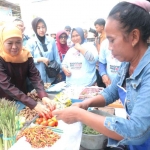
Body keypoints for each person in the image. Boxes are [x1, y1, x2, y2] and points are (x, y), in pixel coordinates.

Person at [53, 1, 150, 150]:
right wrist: (86, 104)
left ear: (134, 37)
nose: (109, 47)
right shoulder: (127, 64)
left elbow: (137, 130)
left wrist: (80, 115)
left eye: (111, 40)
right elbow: (111, 92)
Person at [0, 25, 55, 116]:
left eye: (18, 42)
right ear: (2, 42)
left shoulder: (26, 54)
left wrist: (43, 95)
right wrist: (33, 104)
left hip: (22, 99)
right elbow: (6, 85)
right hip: (4, 101)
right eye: (9, 43)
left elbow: (34, 76)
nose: (14, 46)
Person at [26, 17, 61, 84]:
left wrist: (58, 71)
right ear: (34, 29)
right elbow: (28, 60)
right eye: (38, 28)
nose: (41, 30)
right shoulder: (30, 42)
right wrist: (39, 59)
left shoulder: (51, 40)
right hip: (38, 78)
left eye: (43, 27)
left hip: (52, 76)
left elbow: (56, 57)